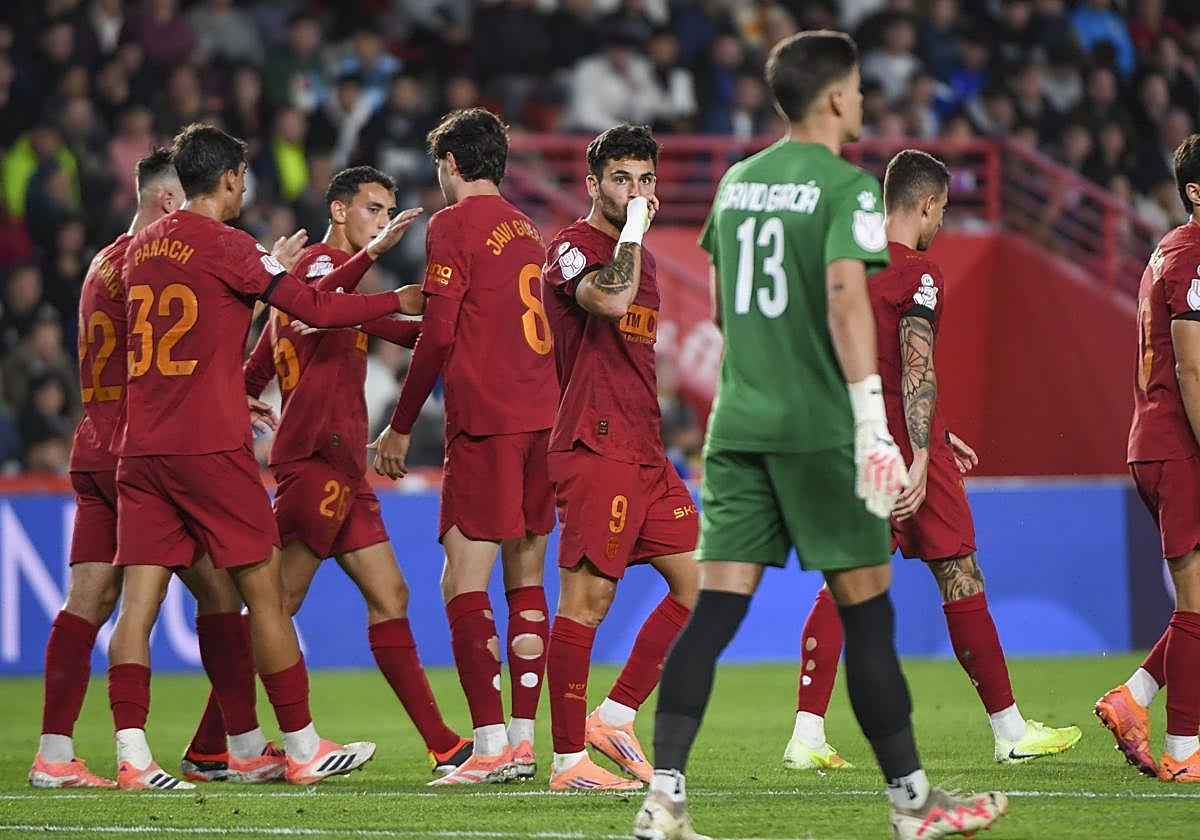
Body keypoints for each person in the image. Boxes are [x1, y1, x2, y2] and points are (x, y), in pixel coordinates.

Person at [632, 32, 1008, 840]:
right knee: (868, 614)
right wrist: (872, 423)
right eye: (861, 88)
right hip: (816, 432)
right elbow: (845, 301)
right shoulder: (846, 189)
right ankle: (914, 807)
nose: (865, 100)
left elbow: (729, 312)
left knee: (715, 613)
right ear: (835, 97)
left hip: (738, 427)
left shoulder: (736, 183)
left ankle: (663, 800)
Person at [106, 123, 411, 790]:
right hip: (211, 449)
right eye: (243, 177)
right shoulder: (231, 245)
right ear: (228, 180)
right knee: (265, 594)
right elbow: (312, 309)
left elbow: (200, 317)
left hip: (143, 448)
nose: (245, 186)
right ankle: (302, 746)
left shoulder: (139, 249)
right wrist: (397, 298)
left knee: (140, 605)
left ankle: (144, 755)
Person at [783, 149, 1081, 771]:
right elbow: (914, 363)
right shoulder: (919, 274)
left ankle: (806, 736)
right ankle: (1010, 731)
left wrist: (937, 434)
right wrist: (921, 453)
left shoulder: (846, 267)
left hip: (852, 439)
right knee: (960, 573)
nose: (942, 220)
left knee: (846, 580)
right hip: (902, 448)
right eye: (942, 208)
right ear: (926, 204)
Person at [29, 150, 272, 790]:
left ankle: (54, 754)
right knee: (220, 592)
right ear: (170, 202)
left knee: (88, 597)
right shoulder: (151, 266)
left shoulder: (102, 262)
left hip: (95, 447)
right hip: (142, 453)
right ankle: (237, 749)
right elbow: (178, 348)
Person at [218, 165, 471, 777]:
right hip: (318, 459)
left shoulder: (309, 287)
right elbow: (334, 308)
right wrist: (386, 276)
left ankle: (444, 744)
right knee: (278, 605)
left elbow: (262, 366)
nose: (382, 223)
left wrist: (453, 326)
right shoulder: (321, 272)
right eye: (372, 209)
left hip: (340, 466)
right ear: (339, 211)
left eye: (387, 213)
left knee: (389, 596)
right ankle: (217, 744)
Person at [372, 108, 559, 786]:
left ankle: (486, 748)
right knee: (528, 577)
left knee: (462, 580)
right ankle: (522, 740)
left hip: (487, 422)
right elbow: (470, 326)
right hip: (542, 417)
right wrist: (377, 323)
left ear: (450, 164)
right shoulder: (525, 227)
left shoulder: (452, 224)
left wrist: (398, 425)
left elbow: (443, 333)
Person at [540, 124, 698, 792]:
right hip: (594, 442)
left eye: (646, 181)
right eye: (623, 180)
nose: (636, 192)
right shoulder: (571, 249)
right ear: (593, 183)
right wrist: (632, 229)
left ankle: (616, 713)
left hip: (644, 448)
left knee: (703, 583)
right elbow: (608, 299)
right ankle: (568, 760)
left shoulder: (649, 263)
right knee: (587, 602)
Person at [1095, 132, 1200, 784]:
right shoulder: (1194, 256)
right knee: (1195, 609)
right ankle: (1186, 752)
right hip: (1177, 444)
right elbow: (1190, 367)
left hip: (1158, 441)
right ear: (1195, 191)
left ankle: (1133, 695)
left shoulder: (1168, 250)